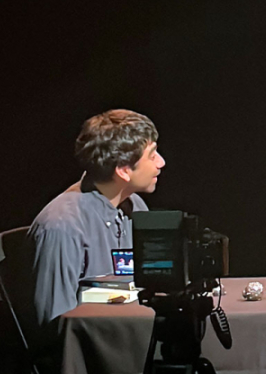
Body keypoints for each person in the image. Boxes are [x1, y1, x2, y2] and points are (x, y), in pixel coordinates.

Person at [28, 109, 165, 328]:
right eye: (152, 155)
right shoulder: (61, 225)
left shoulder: (135, 206)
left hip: (132, 332)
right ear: (123, 171)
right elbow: (54, 324)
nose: (161, 162)